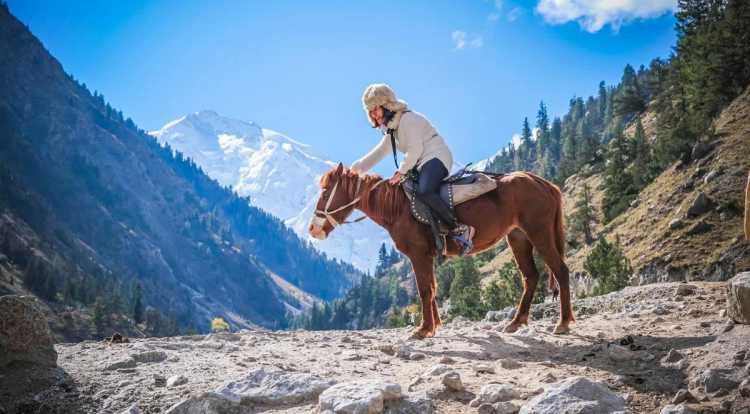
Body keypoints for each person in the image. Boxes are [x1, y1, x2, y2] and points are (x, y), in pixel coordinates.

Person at [351, 83, 475, 254]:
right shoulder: (392, 132)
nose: (373, 114)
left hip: (437, 157)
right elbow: (377, 154)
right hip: (420, 164)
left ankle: (459, 228)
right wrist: (352, 171)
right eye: (370, 111)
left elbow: (415, 150)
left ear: (387, 105)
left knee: (425, 190)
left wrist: (401, 171)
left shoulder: (408, 120)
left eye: (376, 109)